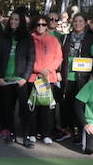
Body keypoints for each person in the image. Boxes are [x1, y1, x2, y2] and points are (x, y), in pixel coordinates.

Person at [24, 15, 63, 146]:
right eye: (38, 24)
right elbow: (26, 57)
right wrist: (39, 70)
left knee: (47, 107)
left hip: (48, 78)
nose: (41, 27)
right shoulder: (29, 39)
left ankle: (46, 134)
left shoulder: (54, 40)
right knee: (32, 107)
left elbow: (58, 58)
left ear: (47, 26)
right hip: (33, 77)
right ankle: (32, 133)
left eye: (43, 24)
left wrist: (48, 70)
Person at [58, 13, 93, 138]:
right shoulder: (65, 37)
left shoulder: (92, 38)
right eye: (75, 21)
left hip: (83, 78)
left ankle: (79, 131)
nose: (77, 24)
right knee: (65, 103)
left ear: (85, 23)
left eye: (80, 21)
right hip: (67, 76)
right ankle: (66, 129)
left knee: (80, 105)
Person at [0, 14, 31, 144]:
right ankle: (11, 134)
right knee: (8, 109)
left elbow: (31, 59)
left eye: (17, 19)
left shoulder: (27, 38)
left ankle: (25, 136)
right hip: (6, 80)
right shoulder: (3, 37)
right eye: (12, 19)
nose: (13, 22)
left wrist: (25, 78)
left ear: (21, 22)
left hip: (20, 80)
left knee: (23, 110)